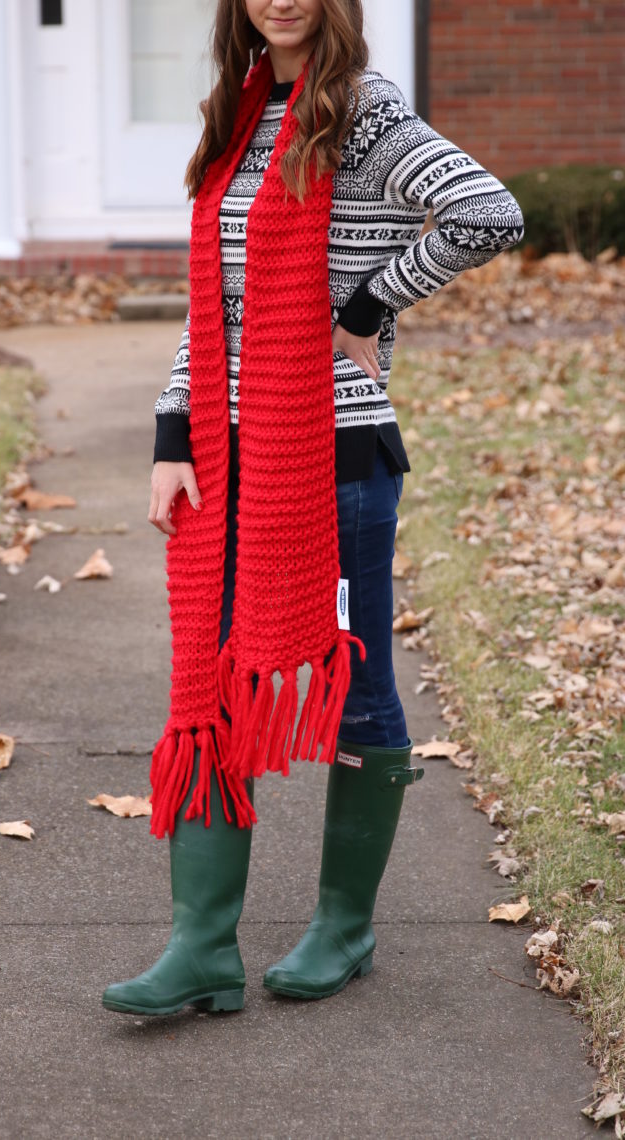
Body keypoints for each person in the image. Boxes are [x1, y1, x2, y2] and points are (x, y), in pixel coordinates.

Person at [102, 0, 524, 1016]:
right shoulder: (238, 113)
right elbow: (218, 308)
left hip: (334, 455)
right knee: (209, 677)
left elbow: (487, 212)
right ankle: (201, 948)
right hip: (228, 447)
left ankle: (344, 927)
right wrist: (172, 441)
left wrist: (371, 302)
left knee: (355, 678)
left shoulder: (363, 111)